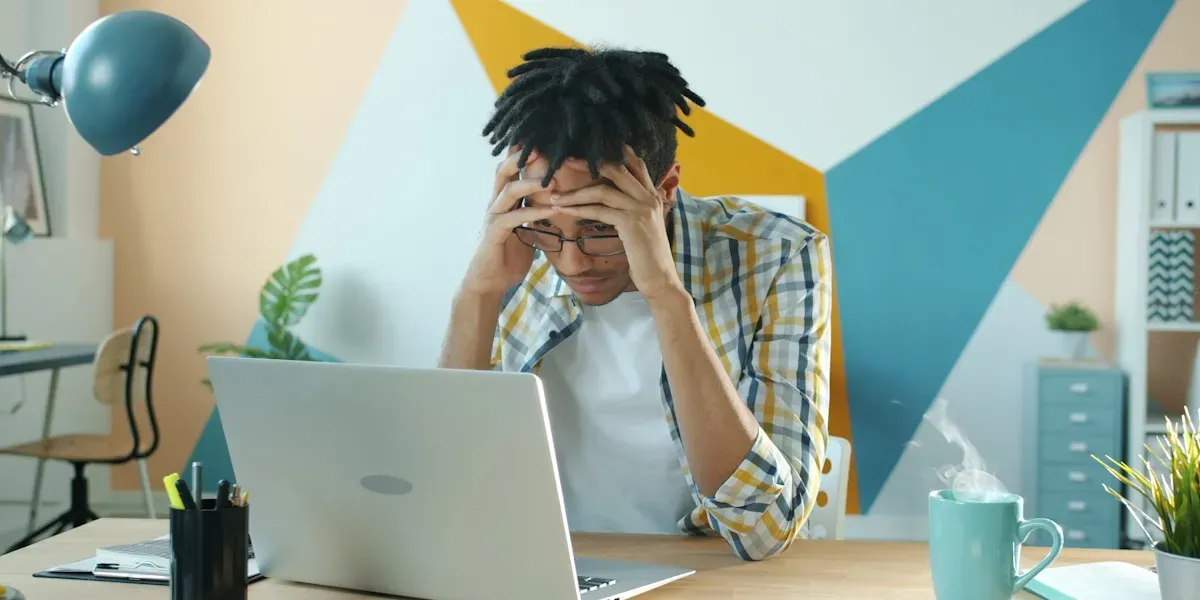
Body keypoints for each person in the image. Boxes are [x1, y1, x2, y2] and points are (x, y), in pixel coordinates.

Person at [438, 46, 831, 561]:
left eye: (601, 227)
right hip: (545, 564)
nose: (573, 263)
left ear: (665, 189)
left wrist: (665, 293)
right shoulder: (517, 247)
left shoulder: (778, 255)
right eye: (548, 228)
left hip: (705, 569)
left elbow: (765, 529)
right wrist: (479, 292)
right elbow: (443, 493)